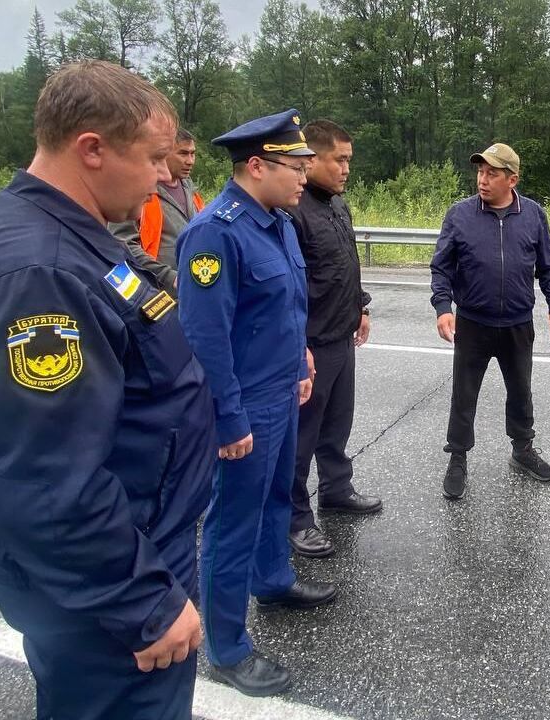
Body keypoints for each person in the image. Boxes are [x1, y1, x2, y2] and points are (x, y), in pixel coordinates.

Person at [0, 60, 213, 720]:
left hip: (137, 549)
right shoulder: (37, 273)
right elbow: (47, 478)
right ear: (92, 148)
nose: (166, 177)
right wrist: (144, 600)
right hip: (109, 597)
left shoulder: (74, 236)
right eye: (151, 159)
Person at [176, 108, 337, 698]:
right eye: (295, 165)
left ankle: (272, 580)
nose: (304, 174)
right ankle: (226, 646)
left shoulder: (278, 223)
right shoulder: (214, 232)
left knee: (275, 498)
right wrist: (227, 417)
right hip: (243, 405)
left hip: (281, 393)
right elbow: (204, 338)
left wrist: (301, 362)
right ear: (256, 165)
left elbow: (286, 309)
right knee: (232, 523)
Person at [430, 142, 550, 500]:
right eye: (480, 171)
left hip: (518, 324)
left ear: (512, 179)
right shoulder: (459, 215)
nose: (483, 179)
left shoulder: (534, 215)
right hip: (473, 323)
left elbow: (548, 266)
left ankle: (522, 449)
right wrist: (443, 307)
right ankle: (457, 457)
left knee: (521, 390)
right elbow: (441, 267)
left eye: (492, 173)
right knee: (464, 395)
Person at [284, 120, 382, 559]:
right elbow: (289, 282)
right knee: (302, 435)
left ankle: (336, 490)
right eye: (339, 160)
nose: (346, 169)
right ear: (312, 159)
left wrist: (361, 305)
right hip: (312, 342)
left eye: (349, 160)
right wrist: (296, 344)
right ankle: (295, 517)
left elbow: (345, 261)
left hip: (342, 335)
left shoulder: (337, 204)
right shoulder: (294, 209)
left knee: (337, 425)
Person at [110, 127, 204, 294]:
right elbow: (123, 244)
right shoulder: (139, 189)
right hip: (156, 292)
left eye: (192, 153)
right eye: (183, 153)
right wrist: (170, 277)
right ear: (164, 153)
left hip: (193, 289)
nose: (190, 161)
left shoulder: (190, 188)